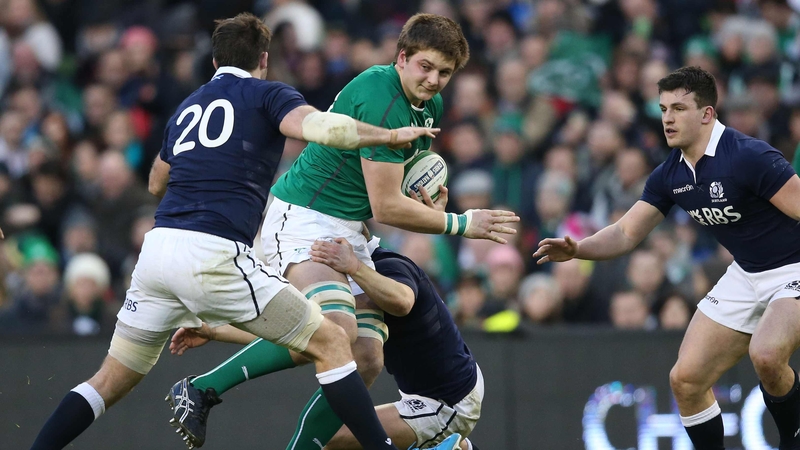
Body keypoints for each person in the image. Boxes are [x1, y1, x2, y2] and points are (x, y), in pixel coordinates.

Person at [29, 13, 455, 450]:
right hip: (214, 251)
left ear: (215, 61)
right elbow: (324, 128)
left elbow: (156, 182)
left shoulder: (189, 106)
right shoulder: (268, 94)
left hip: (156, 252)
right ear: (264, 59)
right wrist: (387, 137)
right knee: (332, 338)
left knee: (107, 381)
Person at [168, 12, 516, 450]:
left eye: (444, 73)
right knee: (335, 329)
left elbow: (387, 191)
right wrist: (462, 223)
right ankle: (203, 388)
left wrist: (425, 207)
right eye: (425, 67)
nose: (433, 80)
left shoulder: (429, 105)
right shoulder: (381, 97)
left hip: (350, 228)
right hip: (304, 216)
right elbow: (386, 206)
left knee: (365, 357)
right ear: (402, 58)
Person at [534, 66, 800, 450]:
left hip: (793, 266)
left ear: (707, 114)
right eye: (662, 109)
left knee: (767, 354)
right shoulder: (670, 174)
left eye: (678, 108)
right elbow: (626, 233)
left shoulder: (749, 156)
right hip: (746, 274)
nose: (668, 119)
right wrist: (579, 248)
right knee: (685, 380)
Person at [169, 237, 483, 450]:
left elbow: (402, 301)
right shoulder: (347, 291)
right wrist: (215, 331)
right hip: (432, 393)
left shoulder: (387, 266)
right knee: (333, 431)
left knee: (335, 435)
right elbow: (297, 334)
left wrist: (354, 266)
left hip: (448, 403)